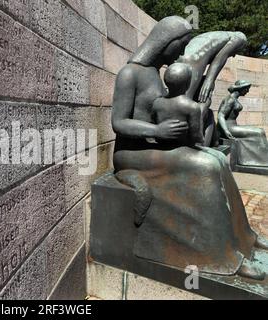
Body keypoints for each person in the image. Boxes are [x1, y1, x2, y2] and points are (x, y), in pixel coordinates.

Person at [112, 16, 267, 280]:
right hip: (132, 154)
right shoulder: (130, 73)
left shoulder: (154, 74)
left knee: (217, 158)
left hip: (154, 148)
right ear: (167, 42)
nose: (182, 52)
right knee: (205, 167)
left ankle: (244, 236)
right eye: (180, 45)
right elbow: (118, 122)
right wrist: (157, 131)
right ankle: (225, 257)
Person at [177, 31, 248, 146]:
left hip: (184, 58)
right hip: (194, 60)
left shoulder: (218, 35)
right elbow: (221, 57)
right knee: (186, 104)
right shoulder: (240, 37)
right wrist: (209, 80)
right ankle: (187, 142)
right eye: (237, 51)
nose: (234, 55)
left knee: (183, 102)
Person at [153, 63, 209, 147]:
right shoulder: (192, 106)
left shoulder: (157, 102)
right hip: (182, 147)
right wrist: (202, 139)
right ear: (187, 84)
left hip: (161, 144)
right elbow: (196, 136)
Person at [218, 80, 268, 167]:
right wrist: (226, 130)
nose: (247, 91)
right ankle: (261, 161)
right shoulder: (230, 99)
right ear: (241, 88)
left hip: (233, 126)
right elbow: (221, 115)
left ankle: (260, 159)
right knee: (259, 132)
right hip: (229, 128)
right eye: (246, 89)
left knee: (260, 131)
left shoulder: (234, 99)